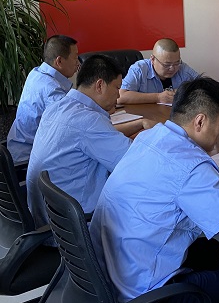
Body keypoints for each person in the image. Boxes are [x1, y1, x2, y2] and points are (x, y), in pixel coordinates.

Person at [90, 77, 219, 303]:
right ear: (200, 121)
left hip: (106, 273)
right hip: (142, 293)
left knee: (210, 250)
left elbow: (171, 176)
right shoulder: (191, 166)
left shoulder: (150, 136)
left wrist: (214, 177)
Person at [26, 55, 156, 227]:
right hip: (78, 225)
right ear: (100, 85)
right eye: (117, 87)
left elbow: (95, 135)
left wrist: (139, 123)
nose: (118, 95)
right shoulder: (90, 121)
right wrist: (152, 137)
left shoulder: (59, 107)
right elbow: (136, 163)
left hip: (49, 218)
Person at [7, 35, 80, 163]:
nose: (78, 63)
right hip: (28, 159)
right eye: (75, 58)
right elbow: (72, 127)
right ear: (59, 61)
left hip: (17, 149)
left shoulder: (36, 72)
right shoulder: (53, 90)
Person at [118, 38, 198, 105]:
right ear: (152, 59)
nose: (172, 68)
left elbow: (203, 85)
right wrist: (158, 97)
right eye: (167, 65)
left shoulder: (181, 67)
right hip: (146, 115)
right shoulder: (139, 69)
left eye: (176, 63)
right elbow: (120, 97)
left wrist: (183, 91)